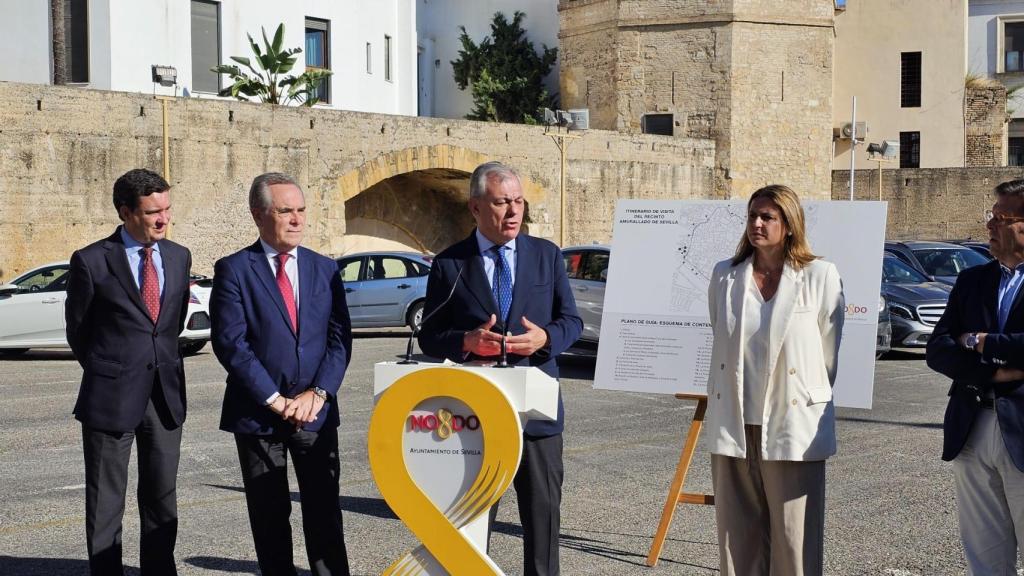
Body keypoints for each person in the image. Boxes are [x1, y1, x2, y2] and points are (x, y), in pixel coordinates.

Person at [417, 161, 582, 576]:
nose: (513, 211)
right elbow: (430, 335)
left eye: (518, 201)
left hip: (537, 414)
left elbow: (571, 322)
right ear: (475, 208)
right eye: (502, 202)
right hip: (475, 415)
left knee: (542, 517)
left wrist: (545, 339)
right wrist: (465, 342)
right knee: (472, 519)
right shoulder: (449, 264)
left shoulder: (546, 256)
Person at [210, 172, 353, 576]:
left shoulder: (325, 269)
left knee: (325, 514)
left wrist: (319, 393)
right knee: (269, 517)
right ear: (258, 215)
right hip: (258, 415)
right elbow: (231, 344)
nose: (297, 220)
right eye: (285, 211)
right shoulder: (235, 269)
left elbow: (340, 339)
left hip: (315, 413)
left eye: (301, 210)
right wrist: (275, 400)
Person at [705, 184, 844, 576]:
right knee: (737, 541)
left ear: (789, 224)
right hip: (735, 421)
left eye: (767, 217)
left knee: (793, 541)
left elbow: (828, 356)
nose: (757, 224)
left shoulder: (819, 275)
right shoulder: (725, 276)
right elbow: (722, 335)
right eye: (752, 215)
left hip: (792, 424)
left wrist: (800, 396)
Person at [65, 168, 193, 575]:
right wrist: (113, 371)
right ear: (126, 212)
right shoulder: (90, 261)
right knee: (106, 502)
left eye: (167, 209)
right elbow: (79, 331)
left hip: (164, 395)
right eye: (153, 212)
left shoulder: (178, 256)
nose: (163, 219)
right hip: (110, 397)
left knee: (161, 497)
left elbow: (170, 325)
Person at [926, 178, 1024, 574]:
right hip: (972, 424)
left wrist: (981, 340)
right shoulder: (972, 280)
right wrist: (994, 373)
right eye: (991, 216)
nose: (989, 227)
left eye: (1000, 218)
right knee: (984, 554)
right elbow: (938, 349)